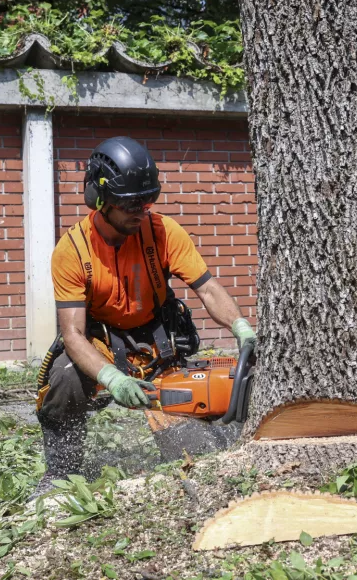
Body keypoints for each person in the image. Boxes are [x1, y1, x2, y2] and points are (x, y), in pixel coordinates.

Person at [30, 136, 256, 500]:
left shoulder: (163, 231)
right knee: (64, 375)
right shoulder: (71, 251)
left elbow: (208, 288)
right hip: (100, 342)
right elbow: (72, 334)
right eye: (131, 203)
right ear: (100, 200)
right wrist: (111, 378)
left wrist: (241, 327)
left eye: (148, 200)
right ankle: (61, 472)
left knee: (199, 450)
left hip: (158, 343)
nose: (141, 210)